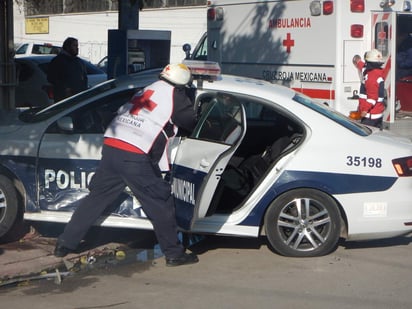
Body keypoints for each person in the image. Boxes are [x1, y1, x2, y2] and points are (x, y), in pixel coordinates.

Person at [54, 63, 199, 267]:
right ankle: (174, 253)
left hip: (112, 147)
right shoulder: (176, 94)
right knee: (160, 201)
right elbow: (190, 121)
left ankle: (64, 243)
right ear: (183, 82)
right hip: (134, 153)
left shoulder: (150, 88)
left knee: (96, 198)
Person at [47, 37, 88, 102]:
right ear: (67, 47)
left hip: (79, 97)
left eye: (77, 46)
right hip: (64, 99)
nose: (77, 48)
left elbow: (84, 78)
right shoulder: (58, 61)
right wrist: (64, 89)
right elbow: (52, 78)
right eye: (74, 45)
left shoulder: (79, 61)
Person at [357, 49, 386, 128]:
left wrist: (365, 110)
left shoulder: (371, 77)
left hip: (370, 116)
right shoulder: (377, 73)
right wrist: (358, 61)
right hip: (377, 113)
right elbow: (363, 67)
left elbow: (372, 97)